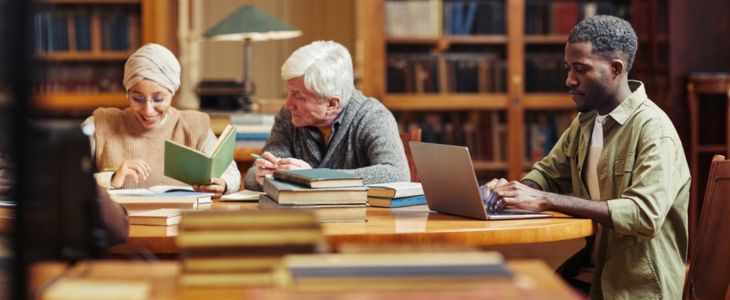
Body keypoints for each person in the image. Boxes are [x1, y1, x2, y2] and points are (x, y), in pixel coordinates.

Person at [481, 15, 689, 299]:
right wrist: (512, 191)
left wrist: (546, 200)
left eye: (581, 69)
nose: (569, 80)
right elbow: (547, 174)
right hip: (590, 276)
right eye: (567, 68)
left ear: (616, 69)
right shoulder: (586, 122)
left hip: (635, 288)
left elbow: (644, 215)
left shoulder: (654, 129)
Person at [244, 41, 409, 191]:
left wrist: (316, 177)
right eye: (289, 92)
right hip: (303, 219)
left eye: (297, 95)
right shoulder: (288, 117)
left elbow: (397, 174)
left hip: (359, 221)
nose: (287, 104)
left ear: (332, 104)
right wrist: (262, 175)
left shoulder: (373, 116)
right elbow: (252, 177)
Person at [84, 44, 240, 198]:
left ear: (172, 93)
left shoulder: (194, 125)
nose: (148, 109)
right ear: (127, 93)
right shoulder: (99, 124)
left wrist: (223, 183)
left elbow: (231, 173)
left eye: (159, 99)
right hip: (122, 221)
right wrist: (111, 179)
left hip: (180, 220)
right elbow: (68, 177)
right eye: (138, 99)